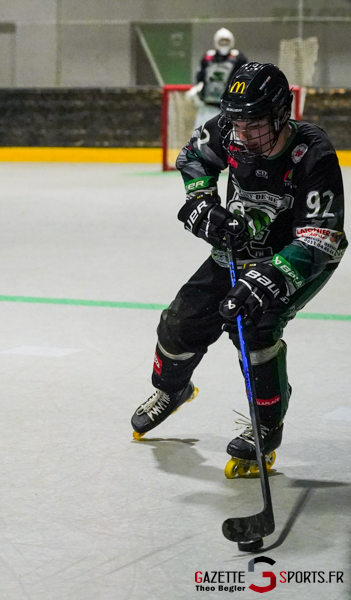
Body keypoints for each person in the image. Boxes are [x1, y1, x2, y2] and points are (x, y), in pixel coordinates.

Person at [131, 63, 345, 477]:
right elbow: (194, 155)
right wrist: (202, 203)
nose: (243, 135)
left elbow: (321, 236)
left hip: (298, 255)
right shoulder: (231, 130)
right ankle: (171, 390)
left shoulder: (312, 153)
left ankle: (266, 425)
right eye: (238, 124)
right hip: (239, 247)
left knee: (256, 330)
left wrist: (270, 275)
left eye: (255, 125)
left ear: (282, 114)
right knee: (178, 325)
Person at [186, 28, 248, 129]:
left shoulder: (238, 58)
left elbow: (244, 79)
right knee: (201, 136)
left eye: (226, 41)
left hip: (229, 107)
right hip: (208, 105)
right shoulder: (208, 57)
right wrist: (197, 89)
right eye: (221, 41)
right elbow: (200, 77)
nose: (224, 44)